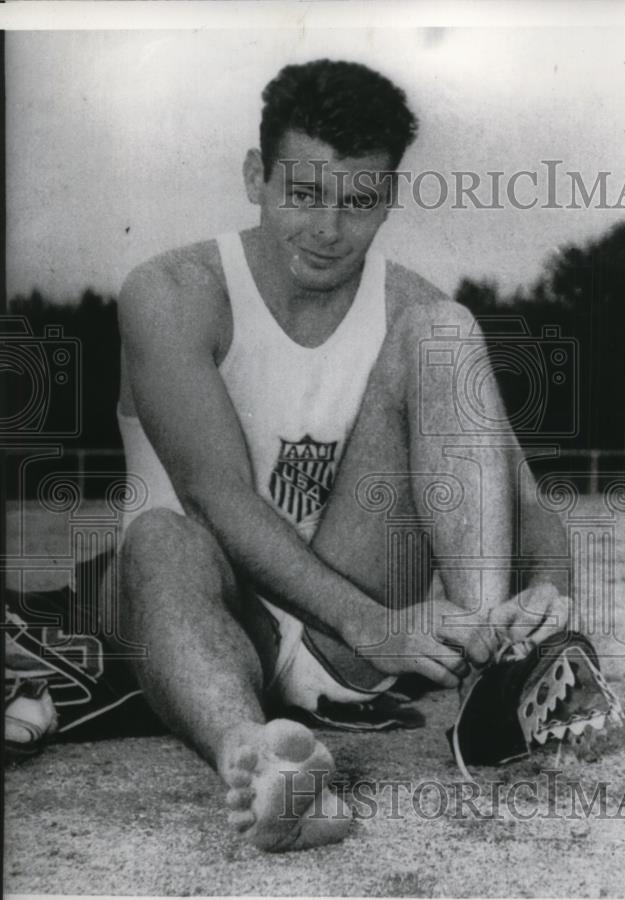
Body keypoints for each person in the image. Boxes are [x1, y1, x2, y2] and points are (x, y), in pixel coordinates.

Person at [115, 59, 571, 852]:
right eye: (303, 193)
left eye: (359, 202)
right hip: (216, 613)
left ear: (388, 198)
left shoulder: (412, 304)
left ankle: (494, 671)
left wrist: (551, 590)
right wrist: (378, 628)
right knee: (161, 540)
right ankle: (258, 761)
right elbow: (216, 497)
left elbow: (529, 507)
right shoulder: (174, 290)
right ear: (256, 174)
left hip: (351, 636)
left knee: (448, 332)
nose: (329, 228)